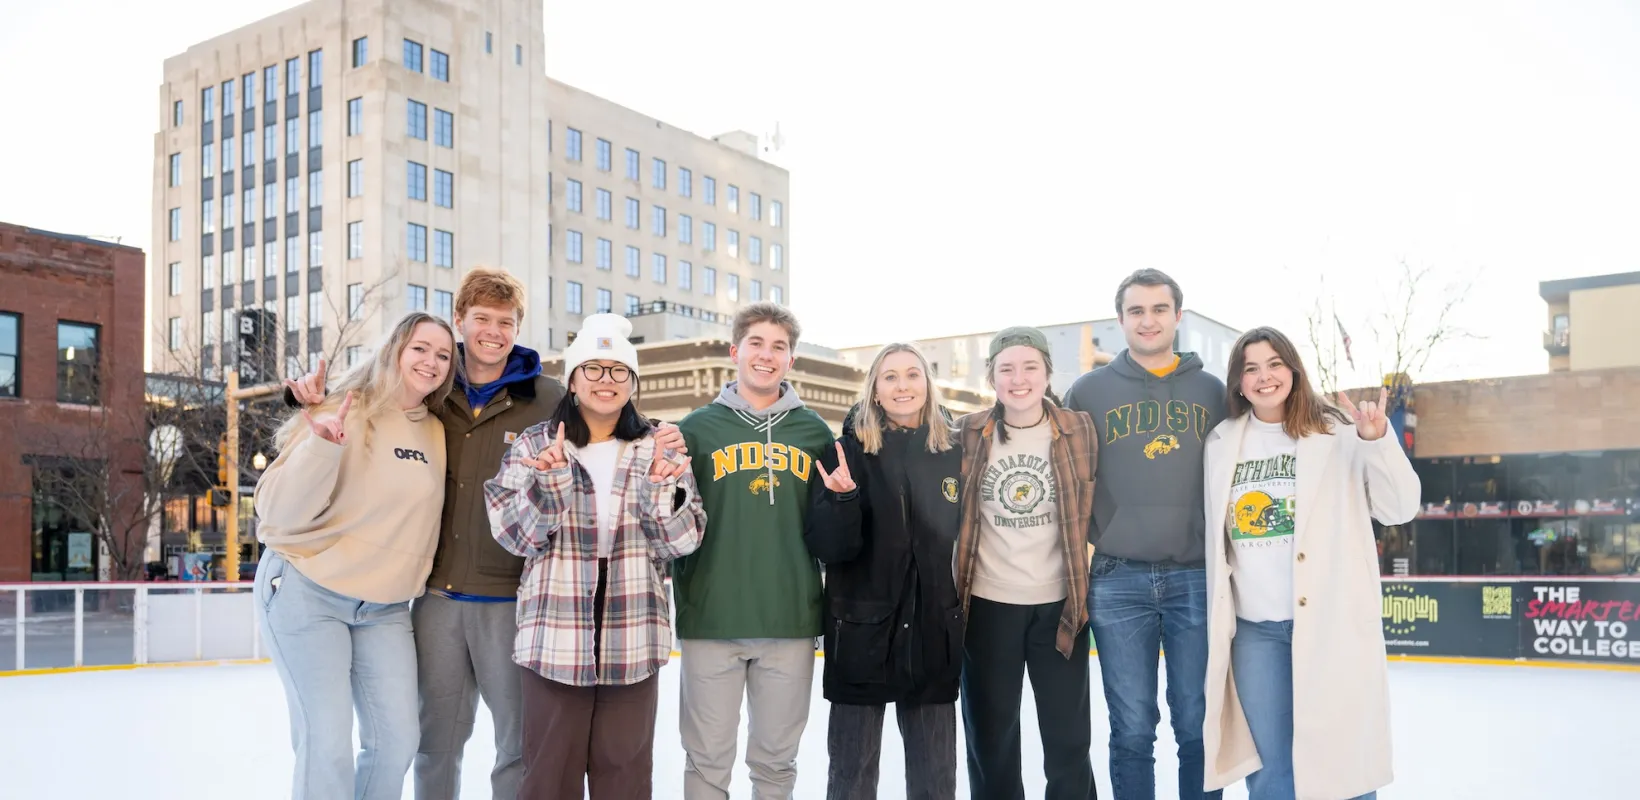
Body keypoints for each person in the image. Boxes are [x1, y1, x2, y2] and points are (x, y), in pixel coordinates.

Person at [283, 267, 688, 800]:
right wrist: (304, 402)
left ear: (519, 327)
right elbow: (365, 401)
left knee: (518, 747)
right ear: (460, 321)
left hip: (512, 601)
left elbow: (612, 409)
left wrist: (662, 440)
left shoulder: (546, 399)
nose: (493, 331)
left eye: (507, 320)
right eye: (481, 318)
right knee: (434, 743)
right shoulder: (431, 386)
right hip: (437, 595)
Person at [484, 313, 707, 798]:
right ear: (573, 381)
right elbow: (514, 537)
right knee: (548, 776)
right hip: (555, 635)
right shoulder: (535, 444)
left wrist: (662, 487)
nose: (606, 381)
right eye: (593, 368)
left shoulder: (658, 447)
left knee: (624, 778)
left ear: (633, 383)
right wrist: (551, 486)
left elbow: (682, 542)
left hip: (633, 635)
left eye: (618, 370)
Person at [1201, 327, 1418, 800]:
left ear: (1294, 370)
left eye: (1275, 363)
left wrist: (1378, 442)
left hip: (1328, 624)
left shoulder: (1339, 429)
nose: (1264, 377)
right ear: (1237, 382)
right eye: (1251, 368)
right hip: (1256, 630)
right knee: (1271, 773)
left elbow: (1398, 509)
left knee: (1343, 764)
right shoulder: (1221, 442)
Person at [253, 311, 458, 800]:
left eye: (444, 355)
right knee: (326, 745)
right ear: (394, 350)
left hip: (384, 610)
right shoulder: (345, 408)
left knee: (397, 741)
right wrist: (320, 449)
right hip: (308, 591)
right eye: (420, 348)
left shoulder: (435, 430)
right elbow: (275, 512)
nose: (431, 362)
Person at [1064, 269, 1227, 800]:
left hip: (1196, 574)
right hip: (1117, 577)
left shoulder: (1212, 391)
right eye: (1136, 311)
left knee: (1196, 724)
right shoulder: (1087, 392)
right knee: (1132, 728)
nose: (1148, 320)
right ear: (1121, 321)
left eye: (1159, 309)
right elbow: (1063, 475)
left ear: (1178, 316)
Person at [672, 301, 836, 799]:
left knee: (776, 764)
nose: (767, 355)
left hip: (789, 619)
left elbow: (833, 530)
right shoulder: (695, 429)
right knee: (706, 763)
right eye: (757, 343)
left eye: (779, 347)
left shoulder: (814, 432)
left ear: (792, 360)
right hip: (711, 618)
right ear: (735, 351)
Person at [805, 343, 965, 800]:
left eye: (912, 375)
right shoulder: (845, 452)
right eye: (890, 376)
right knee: (852, 776)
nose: (902, 386)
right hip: (861, 630)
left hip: (933, 630)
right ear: (874, 389)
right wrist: (841, 499)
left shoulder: (952, 451)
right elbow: (830, 548)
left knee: (936, 778)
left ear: (927, 385)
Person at [954, 327, 1099, 800]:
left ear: (1047, 374)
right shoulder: (967, 433)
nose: (1019, 379)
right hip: (988, 605)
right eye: (1006, 369)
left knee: (1069, 740)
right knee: (991, 740)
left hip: (1060, 605)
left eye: (1030, 367)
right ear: (992, 378)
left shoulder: (1080, 429)